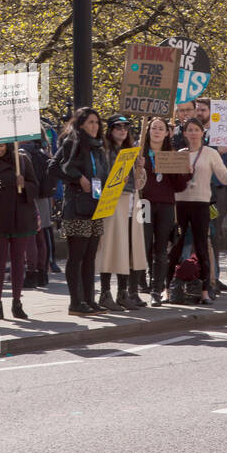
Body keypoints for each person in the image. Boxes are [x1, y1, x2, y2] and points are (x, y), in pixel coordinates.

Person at [169, 118, 227, 304]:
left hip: (200, 205)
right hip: (181, 205)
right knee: (177, 246)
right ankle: (170, 289)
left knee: (202, 247)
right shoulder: (179, 154)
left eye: (196, 130)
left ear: (202, 133)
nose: (192, 133)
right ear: (184, 133)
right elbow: (170, 183)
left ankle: (206, 290)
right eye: (189, 130)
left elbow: (225, 178)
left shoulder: (210, 153)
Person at [51, 108, 110, 315]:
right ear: (81, 124)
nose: (95, 126)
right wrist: (77, 179)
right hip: (76, 207)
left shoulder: (99, 147)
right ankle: (75, 303)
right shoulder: (71, 142)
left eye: (97, 122)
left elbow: (103, 174)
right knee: (77, 256)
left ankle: (89, 300)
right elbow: (53, 167)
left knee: (90, 256)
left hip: (95, 206)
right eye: (90, 122)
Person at [0, 138, 39, 319]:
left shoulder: (22, 161)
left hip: (20, 217)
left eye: (2, 145)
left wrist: (24, 184)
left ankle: (16, 302)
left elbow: (36, 187)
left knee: (18, 260)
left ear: (9, 145)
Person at [136, 116, 188, 306]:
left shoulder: (171, 155)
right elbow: (131, 182)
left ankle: (157, 290)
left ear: (167, 133)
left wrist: (183, 172)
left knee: (161, 250)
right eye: (153, 128)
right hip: (144, 204)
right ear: (147, 131)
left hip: (165, 205)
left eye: (161, 128)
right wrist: (137, 167)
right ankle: (140, 283)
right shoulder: (139, 153)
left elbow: (179, 187)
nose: (157, 131)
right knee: (144, 245)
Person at [95, 115, 145, 311]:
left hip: (132, 203)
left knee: (128, 249)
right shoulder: (104, 151)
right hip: (113, 203)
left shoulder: (130, 151)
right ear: (110, 129)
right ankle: (105, 293)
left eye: (125, 127)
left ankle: (122, 293)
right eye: (118, 127)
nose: (122, 130)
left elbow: (139, 184)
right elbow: (100, 177)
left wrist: (140, 169)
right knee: (110, 248)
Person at [20, 130, 54, 288]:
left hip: (30, 198)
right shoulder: (44, 153)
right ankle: (42, 273)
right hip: (44, 198)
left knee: (30, 238)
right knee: (41, 238)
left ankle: (31, 274)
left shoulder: (22, 153)